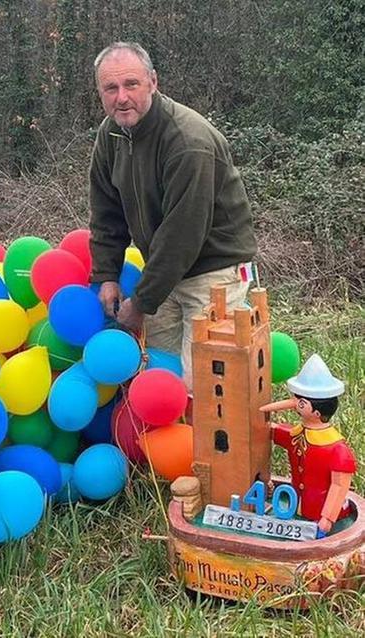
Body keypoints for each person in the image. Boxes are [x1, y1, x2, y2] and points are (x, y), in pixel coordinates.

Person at [87, 42, 257, 389]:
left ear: (153, 81)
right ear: (100, 93)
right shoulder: (111, 135)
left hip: (213, 273)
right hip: (163, 273)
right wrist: (105, 274)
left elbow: (183, 234)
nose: (122, 97)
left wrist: (143, 301)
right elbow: (107, 214)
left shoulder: (187, 140)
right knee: (158, 378)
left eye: (131, 84)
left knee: (204, 388)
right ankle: (165, 445)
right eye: (111, 88)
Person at [259, 354, 355, 535]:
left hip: (320, 515)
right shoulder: (298, 435)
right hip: (296, 507)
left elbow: (339, 486)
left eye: (300, 402)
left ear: (317, 412)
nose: (293, 403)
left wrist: (327, 517)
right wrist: (264, 427)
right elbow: (281, 434)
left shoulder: (337, 449)